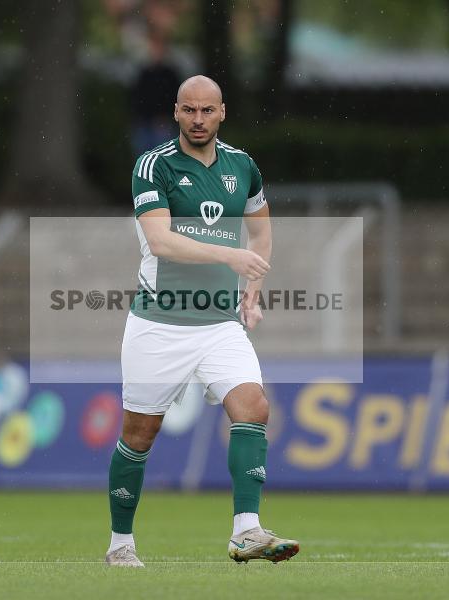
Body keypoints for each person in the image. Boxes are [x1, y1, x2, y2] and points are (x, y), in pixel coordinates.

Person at [105, 75, 299, 567]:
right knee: (138, 434)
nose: (197, 120)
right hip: (159, 323)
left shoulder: (243, 167)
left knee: (254, 405)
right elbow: (163, 240)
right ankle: (120, 543)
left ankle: (246, 530)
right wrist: (229, 256)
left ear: (222, 112)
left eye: (207, 111)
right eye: (188, 110)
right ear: (175, 112)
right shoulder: (153, 166)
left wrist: (251, 295)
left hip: (218, 325)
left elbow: (261, 235)